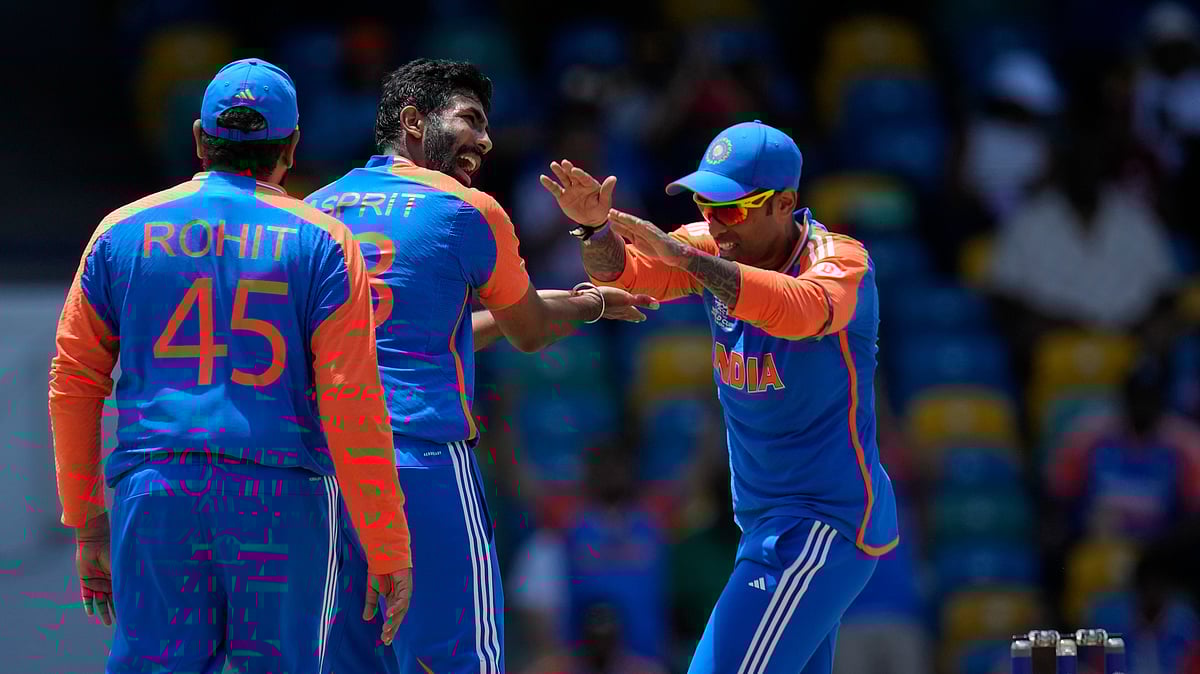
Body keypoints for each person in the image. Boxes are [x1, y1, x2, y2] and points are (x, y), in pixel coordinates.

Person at [48, 58, 413, 673]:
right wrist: (385, 541)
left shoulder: (121, 230)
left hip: (158, 491)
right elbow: (352, 398)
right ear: (292, 147)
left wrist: (86, 520)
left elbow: (73, 381)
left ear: (197, 139)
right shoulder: (324, 240)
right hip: (281, 496)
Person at [305, 58, 656, 674]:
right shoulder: (470, 210)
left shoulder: (314, 211)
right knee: (462, 661)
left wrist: (580, 302)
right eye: (469, 119)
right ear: (414, 122)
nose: (487, 140)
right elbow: (528, 331)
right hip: (421, 459)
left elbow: (423, 335)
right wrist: (587, 307)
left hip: (325, 470)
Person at [541, 120, 899, 674]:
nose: (714, 223)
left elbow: (800, 309)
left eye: (732, 209)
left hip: (821, 523)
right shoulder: (712, 245)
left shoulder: (840, 261)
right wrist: (594, 231)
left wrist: (691, 262)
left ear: (785, 204)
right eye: (706, 205)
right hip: (766, 522)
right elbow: (628, 274)